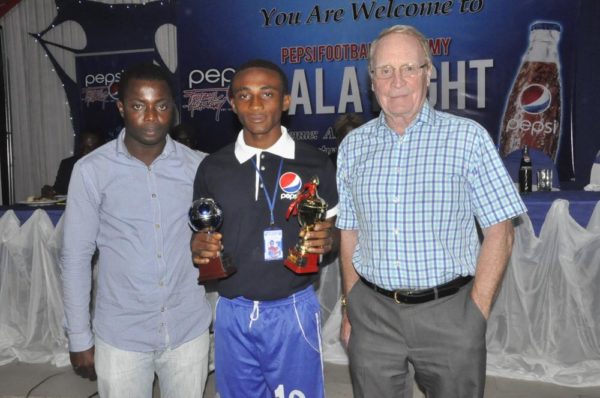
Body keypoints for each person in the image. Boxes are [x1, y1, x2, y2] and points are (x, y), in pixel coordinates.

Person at [336, 25, 527, 398]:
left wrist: (476, 315)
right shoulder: (353, 147)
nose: (397, 81)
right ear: (372, 80)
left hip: (450, 313)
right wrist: (350, 304)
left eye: (409, 68)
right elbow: (349, 232)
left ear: (428, 73)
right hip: (371, 314)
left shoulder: (467, 138)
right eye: (385, 71)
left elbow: (501, 232)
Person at [60, 63, 211, 397]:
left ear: (173, 109)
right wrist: (79, 337)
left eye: (161, 105)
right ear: (121, 108)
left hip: (187, 329)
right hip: (121, 335)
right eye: (138, 105)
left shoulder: (198, 167)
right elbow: (75, 257)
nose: (151, 116)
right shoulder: (91, 171)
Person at [191, 59, 338, 398]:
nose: (255, 105)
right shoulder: (213, 167)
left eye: (267, 94)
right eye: (244, 95)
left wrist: (327, 239)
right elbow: (202, 234)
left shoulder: (315, 162)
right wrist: (198, 247)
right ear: (232, 104)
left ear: (285, 101)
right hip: (233, 310)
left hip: (294, 309)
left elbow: (332, 232)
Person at [41, 131, 102, 197]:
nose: (84, 151)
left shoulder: (106, 166)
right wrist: (50, 191)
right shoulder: (67, 164)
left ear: (99, 148)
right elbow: (59, 190)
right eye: (82, 147)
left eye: (89, 148)